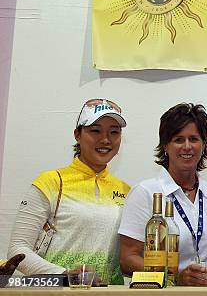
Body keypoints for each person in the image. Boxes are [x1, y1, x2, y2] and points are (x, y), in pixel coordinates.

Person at [8, 99, 130, 285]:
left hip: (109, 291)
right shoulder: (51, 182)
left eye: (114, 132)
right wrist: (63, 274)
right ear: (77, 135)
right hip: (59, 291)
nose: (105, 139)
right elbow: (17, 249)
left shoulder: (126, 191)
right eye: (95, 130)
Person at [119, 103, 207, 286]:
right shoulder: (145, 192)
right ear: (165, 145)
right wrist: (175, 277)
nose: (187, 146)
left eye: (194, 139)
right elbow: (127, 260)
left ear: (204, 145)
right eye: (178, 139)